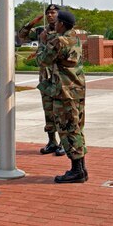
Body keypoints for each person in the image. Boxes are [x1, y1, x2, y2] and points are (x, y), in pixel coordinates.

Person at [36, 10, 87, 184]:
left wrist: (42, 42)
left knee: (67, 129)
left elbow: (43, 60)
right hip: (77, 90)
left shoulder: (60, 40)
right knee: (77, 128)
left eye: (57, 21)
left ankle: (77, 171)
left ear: (62, 24)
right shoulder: (75, 38)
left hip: (64, 91)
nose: (54, 24)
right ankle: (81, 168)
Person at [18, 4, 65, 156]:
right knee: (48, 111)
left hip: (60, 78)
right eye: (48, 13)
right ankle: (52, 142)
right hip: (45, 77)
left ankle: (65, 143)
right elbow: (22, 36)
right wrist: (32, 22)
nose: (50, 15)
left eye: (53, 12)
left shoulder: (64, 31)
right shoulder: (41, 32)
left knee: (62, 112)